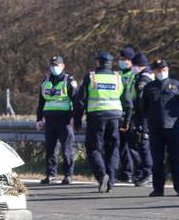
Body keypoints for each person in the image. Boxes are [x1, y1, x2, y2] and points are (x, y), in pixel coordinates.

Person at [74, 51, 132, 193]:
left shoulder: (91, 77)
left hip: (96, 117)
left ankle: (101, 175)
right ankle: (110, 181)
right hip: (115, 118)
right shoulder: (118, 78)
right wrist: (127, 121)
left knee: (94, 148)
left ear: (98, 62)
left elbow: (80, 101)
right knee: (113, 149)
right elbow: (128, 103)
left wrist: (77, 121)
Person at [141, 59, 179, 197]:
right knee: (157, 161)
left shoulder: (177, 85)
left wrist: (174, 118)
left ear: (167, 69)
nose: (161, 72)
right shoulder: (149, 87)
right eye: (158, 70)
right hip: (155, 129)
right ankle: (158, 189)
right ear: (154, 71)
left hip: (173, 128)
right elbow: (144, 108)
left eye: (163, 69)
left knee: (176, 159)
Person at [36, 55, 77, 184]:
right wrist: (39, 119)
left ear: (63, 66)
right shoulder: (46, 81)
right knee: (50, 149)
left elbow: (75, 101)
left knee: (67, 149)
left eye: (56, 65)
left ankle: (68, 175)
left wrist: (75, 119)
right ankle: (50, 174)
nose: (54, 68)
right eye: (52, 65)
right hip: (49, 120)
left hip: (65, 120)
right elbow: (41, 102)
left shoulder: (69, 81)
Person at [127, 52, 154, 186]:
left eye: (133, 65)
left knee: (143, 144)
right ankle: (142, 172)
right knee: (138, 144)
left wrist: (137, 114)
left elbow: (140, 99)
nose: (132, 67)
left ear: (139, 65)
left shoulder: (143, 79)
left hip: (142, 117)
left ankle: (148, 173)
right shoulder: (142, 76)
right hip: (140, 116)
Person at [117, 47, 137, 182]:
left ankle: (137, 171)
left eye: (124, 59)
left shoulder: (134, 75)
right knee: (121, 145)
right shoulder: (117, 74)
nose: (121, 61)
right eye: (120, 59)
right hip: (118, 112)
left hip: (132, 113)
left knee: (133, 145)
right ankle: (126, 172)